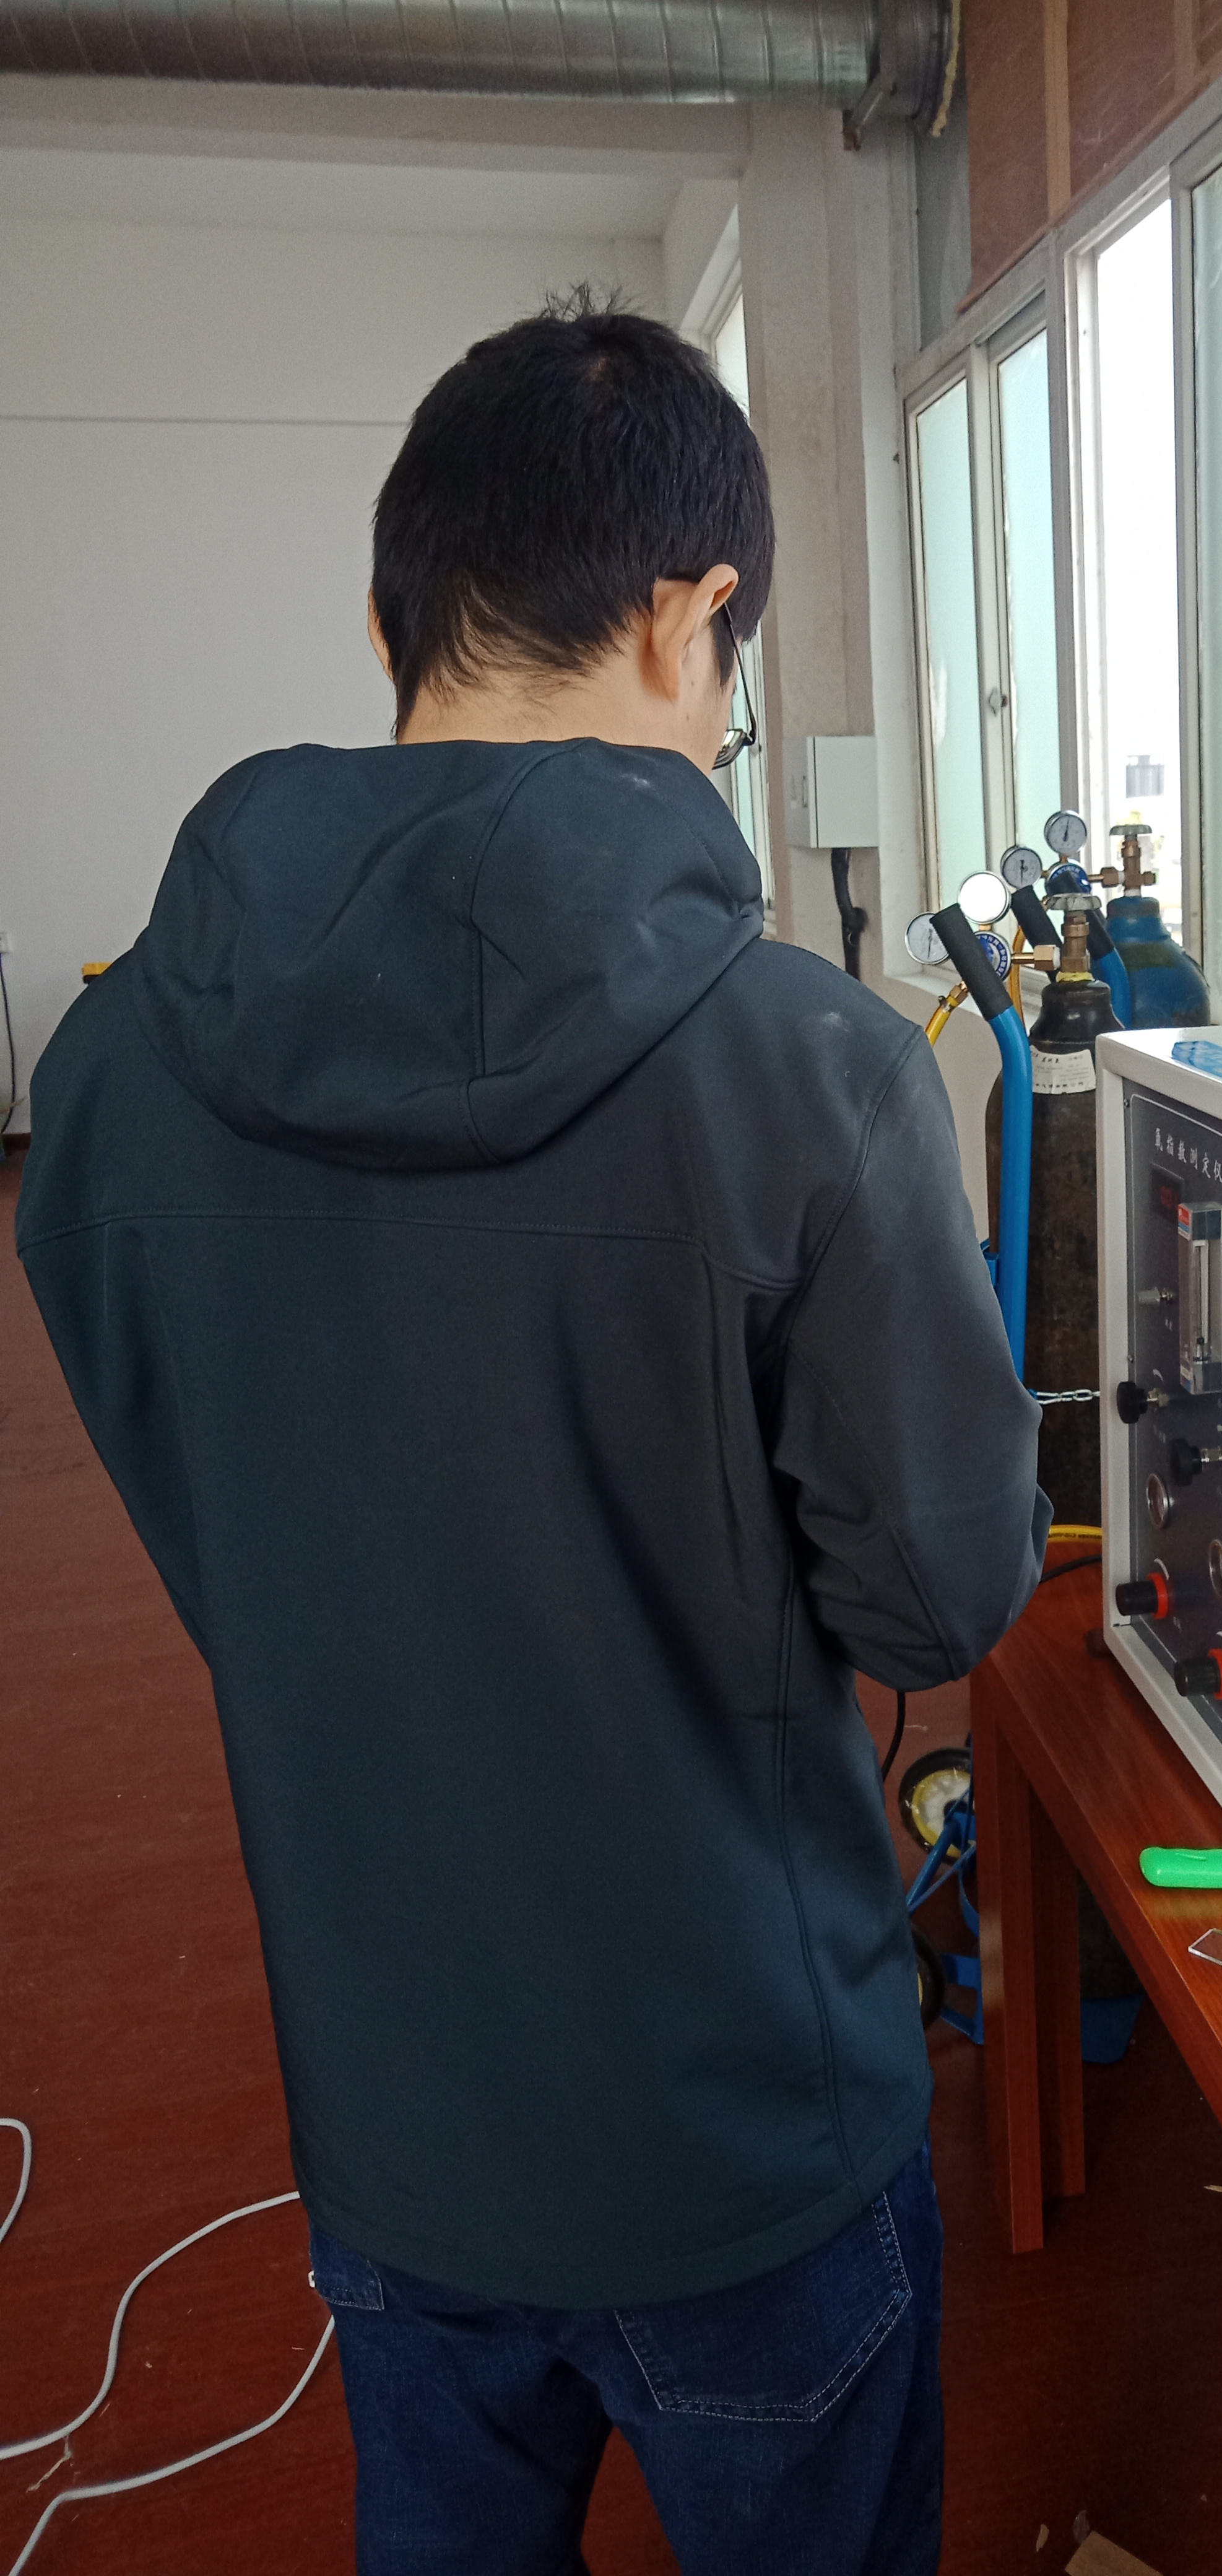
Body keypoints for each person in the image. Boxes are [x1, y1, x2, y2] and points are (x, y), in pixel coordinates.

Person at [15, 292, 1046, 2576]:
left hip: (395, 2127)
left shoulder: (104, 1081)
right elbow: (935, 1600)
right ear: (694, 616)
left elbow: (225, 1540)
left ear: (396, 618)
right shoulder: (816, 1072)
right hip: (744, 2132)